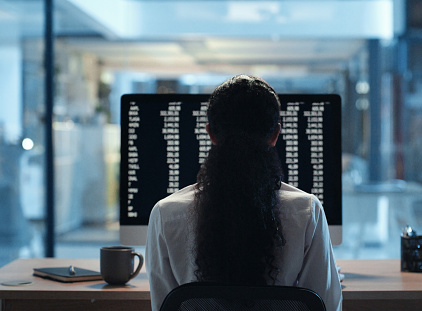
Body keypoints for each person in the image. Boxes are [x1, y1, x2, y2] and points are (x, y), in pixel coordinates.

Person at [145, 74, 342, 311]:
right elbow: (327, 306)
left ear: (211, 134)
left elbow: (163, 306)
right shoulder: (307, 211)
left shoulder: (165, 214)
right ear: (275, 135)